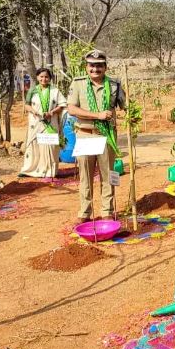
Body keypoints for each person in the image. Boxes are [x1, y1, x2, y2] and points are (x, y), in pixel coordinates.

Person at [67, 50, 126, 221]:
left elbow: (125, 107)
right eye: (92, 65)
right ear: (86, 67)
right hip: (85, 135)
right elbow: (71, 109)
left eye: (99, 65)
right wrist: (97, 115)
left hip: (107, 136)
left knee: (108, 176)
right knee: (85, 177)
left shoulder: (115, 85)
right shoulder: (77, 84)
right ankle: (85, 213)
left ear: (105, 67)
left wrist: (132, 118)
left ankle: (107, 211)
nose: (95, 69)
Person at [19, 68, 67, 178]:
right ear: (37, 77)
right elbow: (27, 105)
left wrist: (52, 112)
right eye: (41, 76)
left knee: (50, 146)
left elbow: (63, 105)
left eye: (46, 77)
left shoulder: (55, 91)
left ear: (50, 78)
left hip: (50, 122)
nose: (44, 79)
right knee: (34, 145)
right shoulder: (32, 90)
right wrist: (34, 111)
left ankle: (50, 170)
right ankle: (31, 169)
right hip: (36, 122)